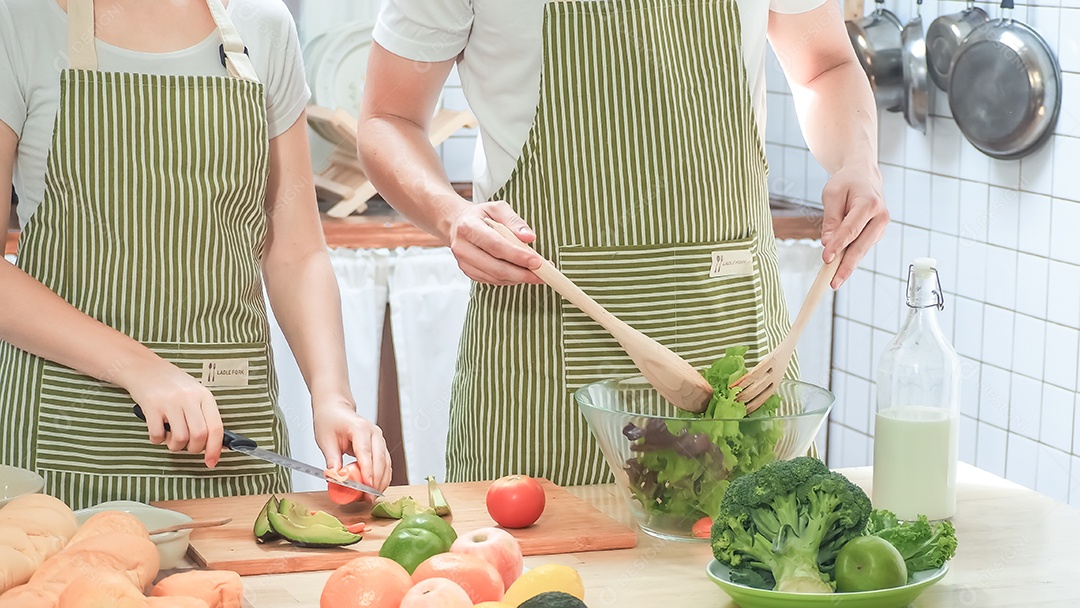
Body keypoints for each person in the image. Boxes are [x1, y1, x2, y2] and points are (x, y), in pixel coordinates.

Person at [357, 0, 888, 486]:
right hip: (544, 371)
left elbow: (825, 65)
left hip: (737, 354)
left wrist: (858, 161)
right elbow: (388, 118)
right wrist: (452, 215)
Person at [0, 0, 391, 509]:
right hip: (65, 445)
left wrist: (332, 397)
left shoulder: (263, 25)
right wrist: (139, 367)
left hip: (232, 444)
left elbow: (295, 251)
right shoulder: (20, 19)